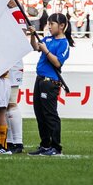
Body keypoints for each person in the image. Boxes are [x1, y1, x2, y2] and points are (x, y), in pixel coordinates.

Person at [31, 12, 71, 156]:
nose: (49, 26)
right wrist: (32, 35)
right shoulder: (47, 38)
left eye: (52, 24)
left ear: (61, 26)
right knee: (39, 113)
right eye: (48, 23)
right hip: (40, 79)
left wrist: (46, 51)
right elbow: (36, 47)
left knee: (50, 114)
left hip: (51, 82)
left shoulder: (64, 43)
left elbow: (57, 62)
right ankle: (45, 144)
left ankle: (55, 146)